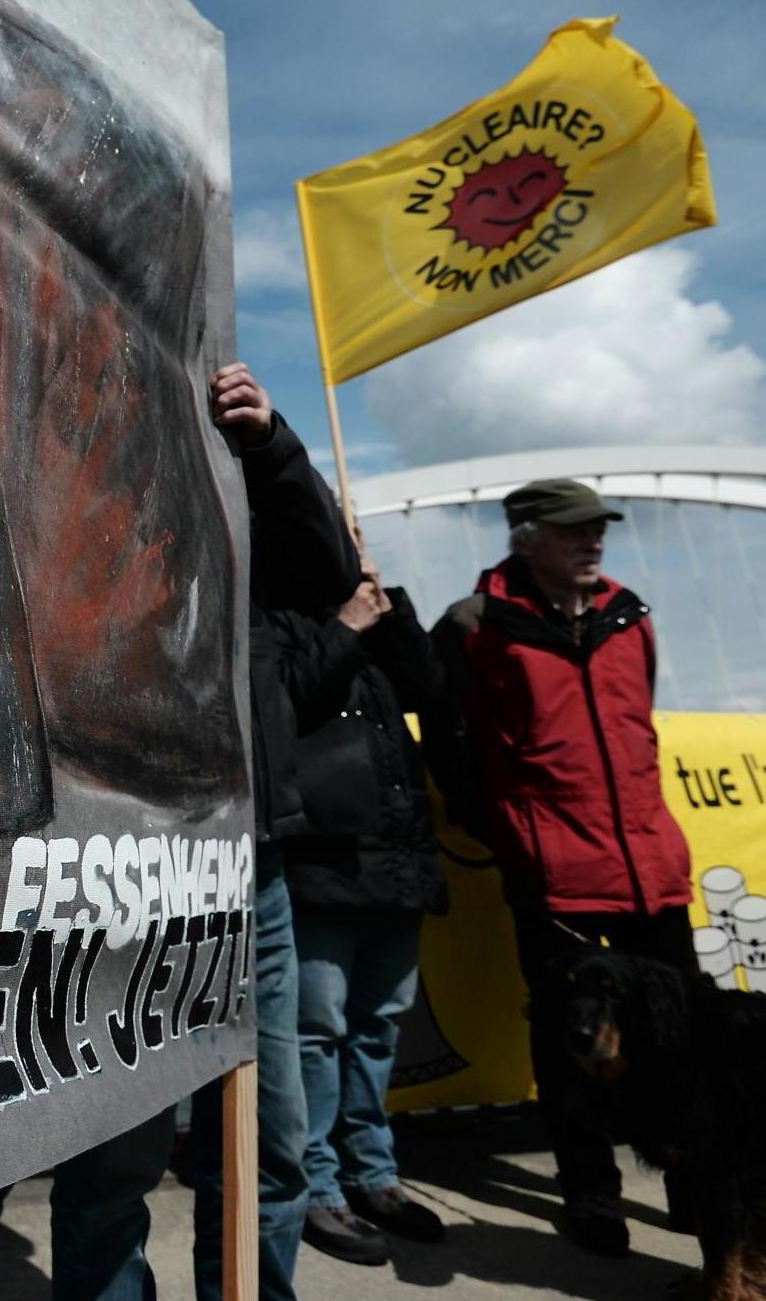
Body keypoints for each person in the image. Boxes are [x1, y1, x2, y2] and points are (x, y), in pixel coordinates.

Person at [51, 363, 358, 1301]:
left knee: (270, 1143)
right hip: (121, 874)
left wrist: (269, 444)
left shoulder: (241, 519)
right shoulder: (61, 509)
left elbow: (328, 571)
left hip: (247, 872)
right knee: (111, 1162)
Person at [428, 479, 695, 1260]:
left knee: (675, 1038)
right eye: (574, 530)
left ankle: (690, 1180)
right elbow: (450, 745)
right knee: (568, 1044)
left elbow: (636, 726)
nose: (593, 542)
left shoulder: (629, 612)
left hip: (651, 864)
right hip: (554, 872)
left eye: (597, 530)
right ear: (525, 537)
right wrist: (510, 833)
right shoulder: (474, 627)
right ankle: (589, 1194)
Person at [281, 529, 447, 1267]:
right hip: (323, 863)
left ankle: (372, 1173)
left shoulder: (378, 615)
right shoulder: (282, 620)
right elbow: (288, 701)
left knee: (378, 1026)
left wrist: (390, 607)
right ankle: (316, 1186)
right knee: (316, 1032)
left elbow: (431, 690)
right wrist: (344, 626)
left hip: (395, 862)